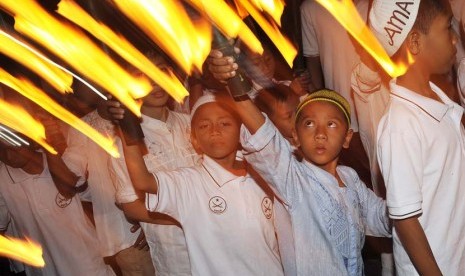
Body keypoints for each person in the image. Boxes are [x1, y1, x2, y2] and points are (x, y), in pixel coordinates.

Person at [109, 93, 284, 276]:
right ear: (193, 140)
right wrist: (127, 127)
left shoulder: (262, 175)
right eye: (204, 126)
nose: (214, 131)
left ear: (241, 132)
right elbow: (142, 180)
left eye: (224, 123)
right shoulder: (189, 183)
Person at [369, 0, 463, 274]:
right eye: (447, 27)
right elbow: (406, 221)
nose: (455, 37)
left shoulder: (437, 98)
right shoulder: (401, 124)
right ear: (414, 43)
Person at [108, 53, 199, 275]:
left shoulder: (193, 123)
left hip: (219, 244)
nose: (155, 81)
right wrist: (186, 218)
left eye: (161, 70)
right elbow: (131, 207)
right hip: (176, 256)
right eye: (141, 74)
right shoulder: (125, 142)